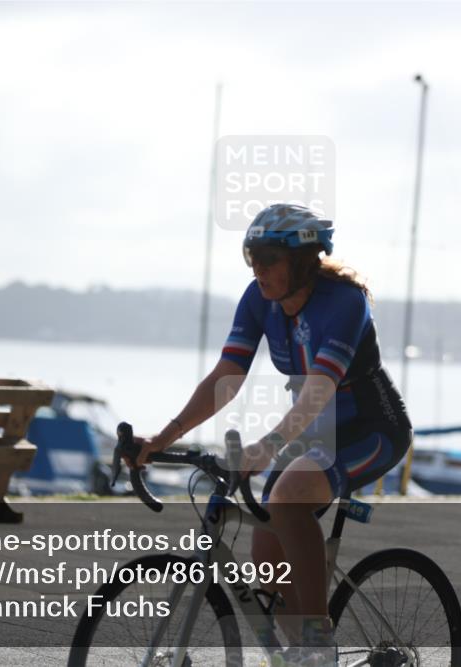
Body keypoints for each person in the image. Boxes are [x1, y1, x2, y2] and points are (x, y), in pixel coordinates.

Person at [134, 203, 413, 666]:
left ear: (302, 261)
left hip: (373, 429)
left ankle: (319, 644)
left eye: (268, 259)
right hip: (316, 433)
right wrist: (164, 437)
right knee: (266, 554)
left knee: (286, 498)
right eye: (251, 258)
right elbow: (228, 373)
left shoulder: (345, 303)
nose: (258, 269)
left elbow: (319, 390)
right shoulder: (258, 300)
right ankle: (302, 656)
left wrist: (270, 446)